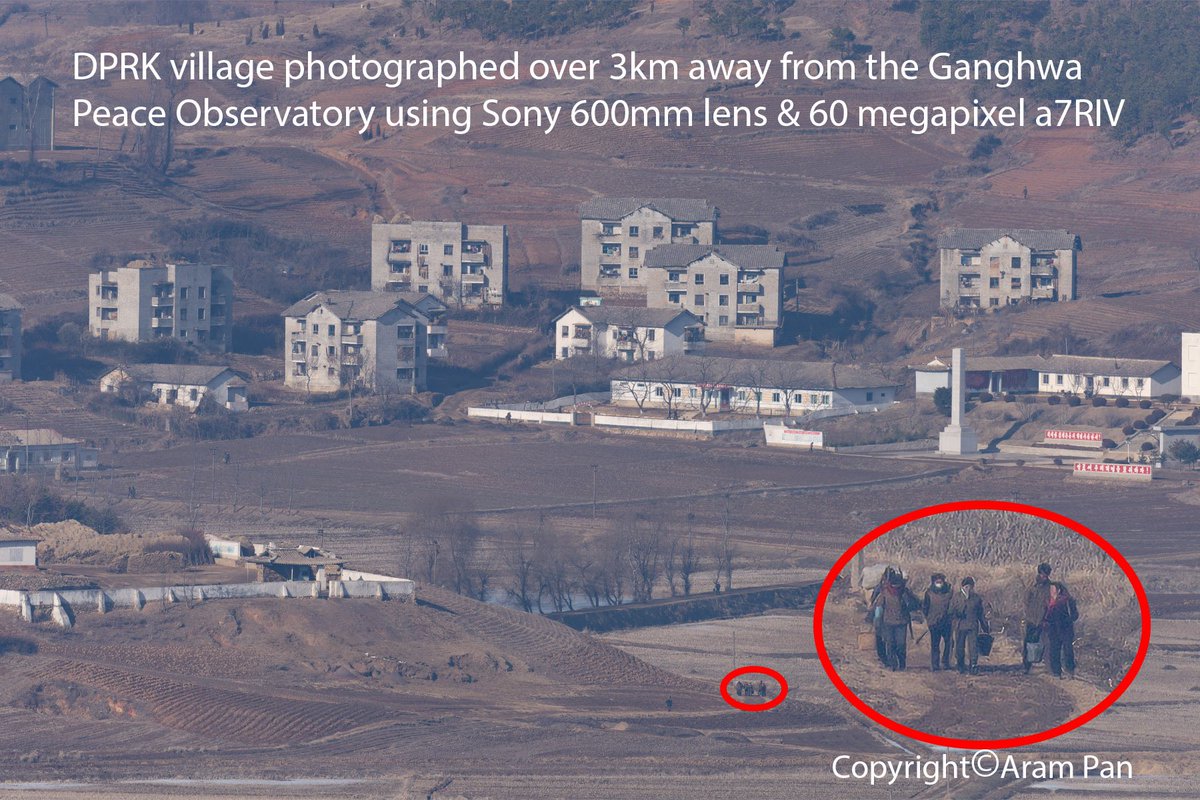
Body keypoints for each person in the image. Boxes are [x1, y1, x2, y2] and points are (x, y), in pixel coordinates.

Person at [871, 570, 920, 671]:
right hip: (888, 623)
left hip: (902, 623)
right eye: (894, 585)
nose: (896, 588)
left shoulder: (905, 592)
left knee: (901, 644)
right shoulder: (884, 593)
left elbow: (914, 604)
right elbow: (879, 608)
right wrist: (877, 621)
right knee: (890, 643)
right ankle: (892, 664)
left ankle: (902, 663)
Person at [950, 576, 989, 675]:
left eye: (970, 587)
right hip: (960, 625)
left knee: (973, 647)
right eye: (966, 587)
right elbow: (950, 611)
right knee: (959, 647)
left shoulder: (976, 598)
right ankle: (960, 665)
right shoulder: (956, 597)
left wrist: (985, 626)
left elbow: (980, 613)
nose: (968, 589)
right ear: (962, 587)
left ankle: (973, 665)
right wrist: (957, 614)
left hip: (972, 625)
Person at [1022, 563, 1053, 674]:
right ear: (1039, 573)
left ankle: (1049, 668)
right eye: (1043, 575)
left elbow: (1051, 603)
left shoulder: (1050, 587)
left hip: (1044, 619)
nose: (1045, 577)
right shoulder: (1032, 585)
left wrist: (1047, 617)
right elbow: (1026, 600)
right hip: (1031, 619)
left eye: (1047, 575)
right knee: (1028, 643)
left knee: (1046, 644)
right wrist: (1027, 614)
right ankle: (1026, 666)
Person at [1044, 581, 1079, 679]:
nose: (1051, 591)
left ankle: (1070, 671)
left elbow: (1075, 615)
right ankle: (1056, 672)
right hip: (1053, 629)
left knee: (1068, 650)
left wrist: (1067, 620)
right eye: (1050, 589)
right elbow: (1045, 616)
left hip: (1066, 629)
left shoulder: (1068, 600)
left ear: (1059, 590)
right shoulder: (1048, 601)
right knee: (1054, 650)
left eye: (1053, 589)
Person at [922, 572, 953, 672]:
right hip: (934, 623)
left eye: (941, 581)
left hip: (946, 623)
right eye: (937, 581)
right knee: (935, 644)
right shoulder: (929, 593)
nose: (939, 583)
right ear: (933, 582)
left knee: (949, 642)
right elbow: (925, 607)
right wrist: (929, 619)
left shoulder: (949, 592)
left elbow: (952, 607)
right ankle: (935, 665)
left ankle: (945, 662)